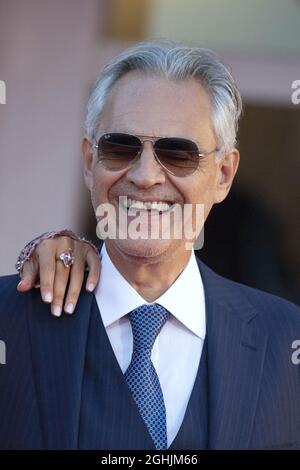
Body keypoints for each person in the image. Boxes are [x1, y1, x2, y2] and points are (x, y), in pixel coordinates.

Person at [1, 40, 300, 450]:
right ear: (90, 162)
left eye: (178, 154)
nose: (144, 176)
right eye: (120, 146)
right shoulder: (10, 320)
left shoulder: (285, 342)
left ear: (224, 175)